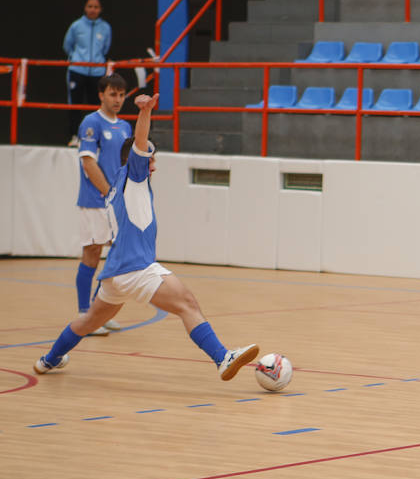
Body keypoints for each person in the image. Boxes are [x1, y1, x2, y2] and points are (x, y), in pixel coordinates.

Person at [34, 93, 260, 379]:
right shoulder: (134, 175)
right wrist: (145, 112)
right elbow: (140, 144)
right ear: (136, 160)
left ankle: (49, 359)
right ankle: (222, 357)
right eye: (150, 160)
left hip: (114, 273)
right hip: (136, 266)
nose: (153, 165)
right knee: (187, 303)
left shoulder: (116, 184)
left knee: (90, 320)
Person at [75, 72, 132, 336]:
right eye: (113, 94)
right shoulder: (91, 122)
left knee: (117, 255)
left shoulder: (125, 127)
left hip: (115, 201)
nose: (118, 99)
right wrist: (108, 192)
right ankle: (84, 315)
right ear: (101, 94)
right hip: (95, 200)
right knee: (93, 252)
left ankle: (99, 312)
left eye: (121, 94)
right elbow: (88, 162)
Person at [64, 0, 112, 147]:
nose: (92, 9)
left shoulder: (105, 28)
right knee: (75, 104)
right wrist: (76, 58)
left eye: (96, 7)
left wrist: (98, 61)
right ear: (85, 8)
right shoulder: (76, 26)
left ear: (100, 9)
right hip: (77, 70)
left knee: (95, 105)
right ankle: (75, 136)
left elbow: (105, 48)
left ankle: (95, 137)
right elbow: (67, 45)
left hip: (97, 72)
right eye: (90, 6)